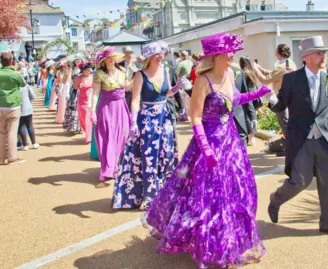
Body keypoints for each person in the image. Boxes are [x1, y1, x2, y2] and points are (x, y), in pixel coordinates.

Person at [144, 33, 271, 268]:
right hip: (209, 143)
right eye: (229, 50)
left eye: (233, 50)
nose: (233, 54)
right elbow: (195, 116)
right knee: (208, 196)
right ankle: (209, 245)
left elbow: (234, 99)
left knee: (235, 191)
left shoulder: (231, 73)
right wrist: (205, 148)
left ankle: (228, 241)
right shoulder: (203, 80)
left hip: (231, 142)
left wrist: (258, 94)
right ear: (216, 55)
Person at [267, 36, 328, 238]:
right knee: (300, 181)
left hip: (324, 138)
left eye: (323, 52)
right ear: (306, 57)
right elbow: (281, 105)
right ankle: (276, 199)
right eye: (318, 52)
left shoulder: (327, 78)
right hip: (301, 139)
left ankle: (327, 223)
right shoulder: (291, 79)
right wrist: (271, 100)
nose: (322, 56)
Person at [113, 42, 183, 210]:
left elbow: (165, 93)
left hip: (164, 118)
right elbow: (136, 99)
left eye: (163, 53)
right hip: (147, 120)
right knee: (149, 157)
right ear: (149, 57)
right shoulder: (140, 75)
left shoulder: (166, 71)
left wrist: (177, 88)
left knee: (166, 155)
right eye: (157, 54)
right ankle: (149, 196)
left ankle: (166, 193)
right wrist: (133, 122)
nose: (161, 57)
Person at [90, 47, 130, 181]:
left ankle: (119, 166)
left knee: (123, 136)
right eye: (108, 57)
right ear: (104, 60)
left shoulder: (122, 71)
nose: (111, 59)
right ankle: (109, 168)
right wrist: (92, 111)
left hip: (121, 106)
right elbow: (95, 93)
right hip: (106, 107)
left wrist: (138, 77)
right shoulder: (99, 74)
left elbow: (127, 87)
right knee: (108, 137)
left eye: (113, 57)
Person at [0, 52, 25, 165]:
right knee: (12, 132)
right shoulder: (15, 74)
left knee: (1, 132)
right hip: (13, 105)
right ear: (11, 61)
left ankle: (1, 158)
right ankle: (12, 157)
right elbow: (23, 84)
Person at [253, 44, 297, 138]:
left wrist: (256, 69)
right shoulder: (289, 63)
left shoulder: (281, 66)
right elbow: (274, 74)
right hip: (290, 97)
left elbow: (265, 79)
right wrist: (260, 68)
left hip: (282, 98)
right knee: (288, 122)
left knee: (284, 122)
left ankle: (291, 146)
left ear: (278, 53)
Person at [73, 63, 93, 144]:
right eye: (86, 70)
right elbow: (74, 89)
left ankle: (89, 137)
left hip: (91, 101)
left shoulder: (93, 77)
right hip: (81, 101)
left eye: (89, 69)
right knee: (83, 120)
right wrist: (72, 100)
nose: (88, 71)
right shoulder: (78, 78)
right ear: (83, 70)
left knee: (88, 119)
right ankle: (87, 133)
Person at [18, 78, 39, 151]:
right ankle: (34, 143)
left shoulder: (15, 88)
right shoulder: (26, 86)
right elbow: (33, 96)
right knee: (30, 125)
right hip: (28, 108)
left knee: (21, 126)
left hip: (19, 109)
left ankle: (25, 144)